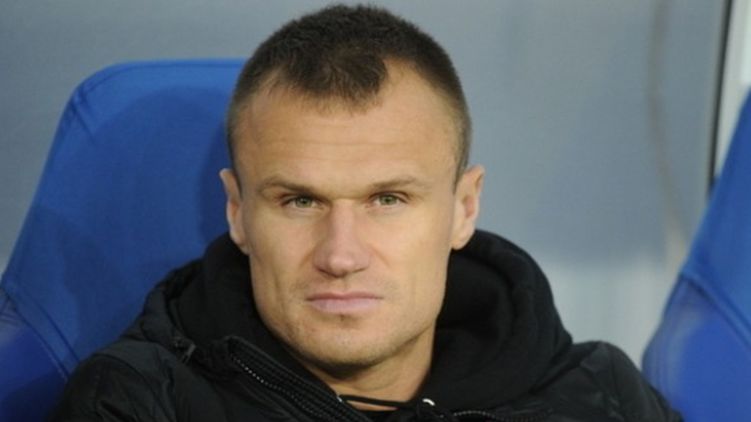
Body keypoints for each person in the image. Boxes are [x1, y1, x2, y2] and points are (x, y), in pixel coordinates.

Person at [52, 4, 681, 421]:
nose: (341, 255)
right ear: (238, 213)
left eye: (388, 200)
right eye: (300, 201)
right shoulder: (137, 404)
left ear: (464, 208)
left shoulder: (603, 395)